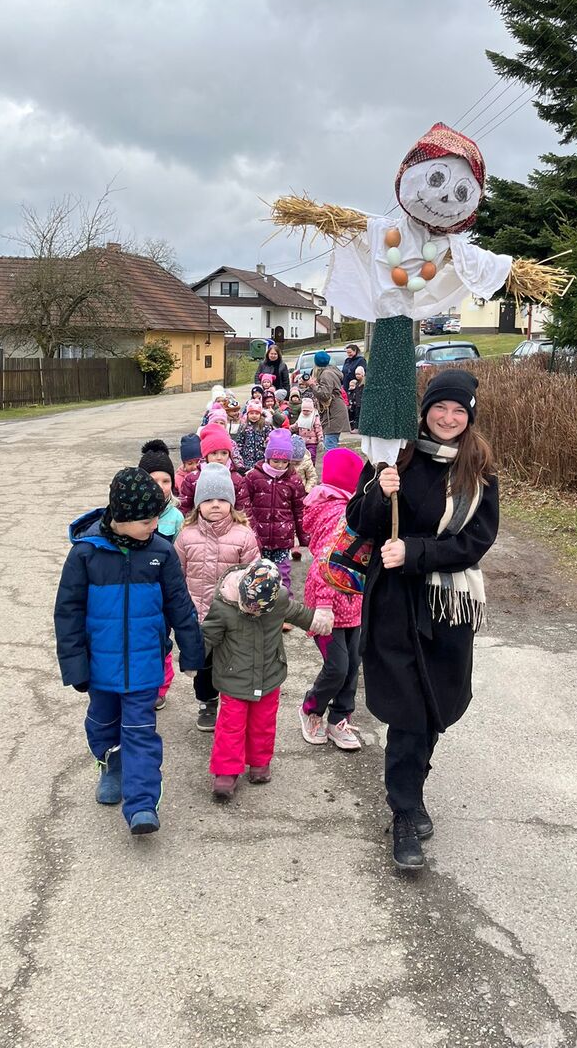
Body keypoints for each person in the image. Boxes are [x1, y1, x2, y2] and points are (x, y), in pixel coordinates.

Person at [345, 370, 500, 872]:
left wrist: (415, 553)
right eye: (440, 407)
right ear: (425, 410)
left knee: (435, 706)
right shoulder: (397, 455)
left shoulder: (478, 471)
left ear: (469, 417)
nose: (448, 418)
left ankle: (413, 789)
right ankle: (404, 811)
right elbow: (358, 520)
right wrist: (378, 489)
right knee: (408, 711)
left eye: (458, 411)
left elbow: (475, 542)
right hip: (394, 603)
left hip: (446, 605)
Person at [54, 467, 203, 835]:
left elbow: (180, 605)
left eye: (157, 518)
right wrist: (75, 666)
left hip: (144, 663)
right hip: (100, 666)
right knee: (102, 723)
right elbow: (68, 613)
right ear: (121, 518)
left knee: (140, 731)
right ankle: (111, 764)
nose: (155, 526)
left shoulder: (161, 553)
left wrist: (192, 652)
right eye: (146, 520)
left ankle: (142, 804)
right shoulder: (85, 554)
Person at [203, 559, 332, 799]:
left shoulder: (278, 599)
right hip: (233, 678)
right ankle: (226, 771)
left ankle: (260, 762)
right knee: (231, 726)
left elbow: (297, 612)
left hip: (269, 674)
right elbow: (208, 635)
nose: (253, 612)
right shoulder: (224, 606)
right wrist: (193, 659)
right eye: (249, 607)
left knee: (263, 723)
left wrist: (317, 620)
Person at [174, 463, 259, 731]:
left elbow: (253, 576)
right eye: (208, 499)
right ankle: (207, 702)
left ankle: (233, 703)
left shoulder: (244, 536)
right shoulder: (186, 536)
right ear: (198, 504)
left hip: (234, 617)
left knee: (233, 662)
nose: (215, 505)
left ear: (231, 503)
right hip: (199, 616)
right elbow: (177, 576)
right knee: (204, 664)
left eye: (221, 499)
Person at [298, 447, 366, 751]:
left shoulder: (352, 508)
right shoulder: (338, 514)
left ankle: (340, 718)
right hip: (325, 607)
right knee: (337, 667)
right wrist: (324, 606)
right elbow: (326, 563)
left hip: (353, 604)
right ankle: (311, 709)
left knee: (352, 666)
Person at [138, 440, 187, 711]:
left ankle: (160, 686)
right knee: (141, 639)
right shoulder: (131, 515)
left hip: (164, 591)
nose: (160, 486)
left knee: (162, 639)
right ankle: (142, 682)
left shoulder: (176, 518)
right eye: (152, 480)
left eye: (166, 480)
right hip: (138, 589)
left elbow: (181, 556)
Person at [245, 428, 306, 591]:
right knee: (259, 573)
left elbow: (299, 510)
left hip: (283, 537)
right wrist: (249, 528)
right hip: (259, 535)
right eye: (276, 460)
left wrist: (304, 536)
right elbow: (245, 505)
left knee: (282, 573)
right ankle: (260, 601)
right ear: (268, 457)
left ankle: (284, 601)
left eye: (284, 462)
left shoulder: (294, 480)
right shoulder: (253, 477)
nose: (280, 465)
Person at [178, 424, 252, 520]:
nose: (219, 458)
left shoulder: (236, 479)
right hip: (199, 526)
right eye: (214, 453)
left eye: (224, 453)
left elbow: (244, 511)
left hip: (230, 527)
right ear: (206, 455)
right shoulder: (193, 479)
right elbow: (184, 509)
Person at [312, 350, 350, 453]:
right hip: (333, 411)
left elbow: (325, 395)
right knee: (330, 444)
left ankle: (332, 464)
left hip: (333, 413)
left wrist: (312, 385)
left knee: (330, 447)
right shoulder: (330, 371)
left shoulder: (326, 374)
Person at [236, 400, 271, 472]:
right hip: (247, 459)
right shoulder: (243, 426)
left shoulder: (265, 426)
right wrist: (240, 456)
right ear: (247, 414)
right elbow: (240, 442)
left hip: (261, 458)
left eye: (257, 413)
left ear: (260, 415)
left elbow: (269, 440)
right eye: (251, 413)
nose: (254, 416)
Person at [293, 393, 324, 464]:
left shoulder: (314, 417)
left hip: (312, 441)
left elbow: (318, 428)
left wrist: (320, 439)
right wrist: (291, 428)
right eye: (304, 410)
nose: (305, 412)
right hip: (302, 441)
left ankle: (311, 465)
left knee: (311, 455)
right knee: (303, 456)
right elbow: (297, 424)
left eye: (307, 411)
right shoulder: (301, 417)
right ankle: (304, 466)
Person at [173, 434, 203, 500]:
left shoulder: (206, 474)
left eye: (198, 462)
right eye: (190, 463)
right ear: (184, 464)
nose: (195, 466)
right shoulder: (178, 479)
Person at [347, 366, 366, 431]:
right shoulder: (357, 383)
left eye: (359, 374)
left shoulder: (364, 384)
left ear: (363, 374)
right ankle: (356, 428)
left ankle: (358, 428)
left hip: (362, 402)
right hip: (357, 402)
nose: (357, 376)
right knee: (356, 416)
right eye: (356, 374)